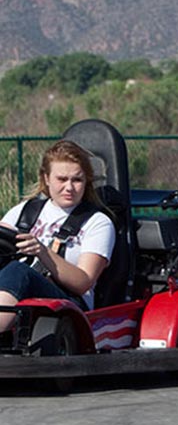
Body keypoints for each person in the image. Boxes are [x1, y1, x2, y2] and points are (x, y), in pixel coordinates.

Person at [0, 140, 115, 331]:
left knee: (18, 271)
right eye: (62, 179)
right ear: (46, 178)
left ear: (86, 182)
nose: (69, 187)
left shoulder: (98, 222)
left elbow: (83, 282)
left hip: (70, 305)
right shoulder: (25, 211)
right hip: (19, 293)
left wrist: (42, 252)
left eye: (77, 180)